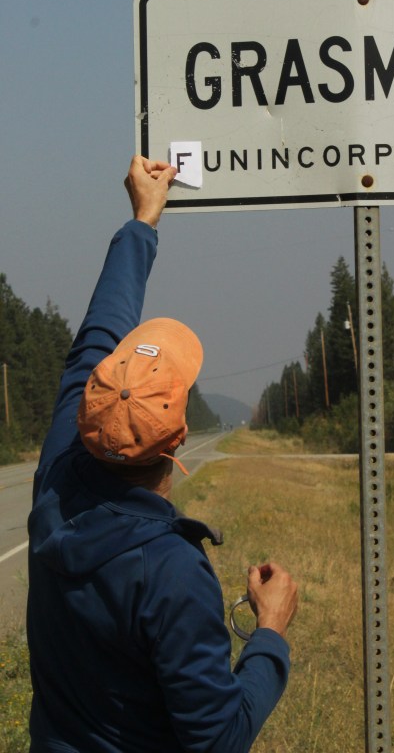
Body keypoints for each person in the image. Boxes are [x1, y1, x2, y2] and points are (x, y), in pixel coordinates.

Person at [27, 156, 298, 753]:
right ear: (177, 441)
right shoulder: (170, 573)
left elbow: (98, 332)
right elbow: (218, 739)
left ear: (89, 404)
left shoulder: (57, 478)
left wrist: (142, 222)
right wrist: (271, 633)